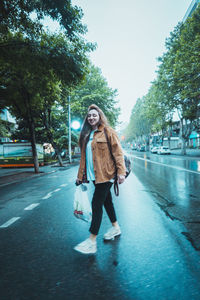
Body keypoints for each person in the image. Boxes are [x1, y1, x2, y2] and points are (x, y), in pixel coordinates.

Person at [74, 104, 126, 254]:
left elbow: (118, 153)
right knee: (106, 202)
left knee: (96, 204)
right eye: (89, 115)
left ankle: (91, 240)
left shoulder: (108, 132)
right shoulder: (86, 135)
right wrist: (80, 177)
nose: (91, 117)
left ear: (100, 116)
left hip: (107, 175)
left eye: (94, 115)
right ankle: (116, 227)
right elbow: (83, 158)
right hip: (94, 176)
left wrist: (121, 172)